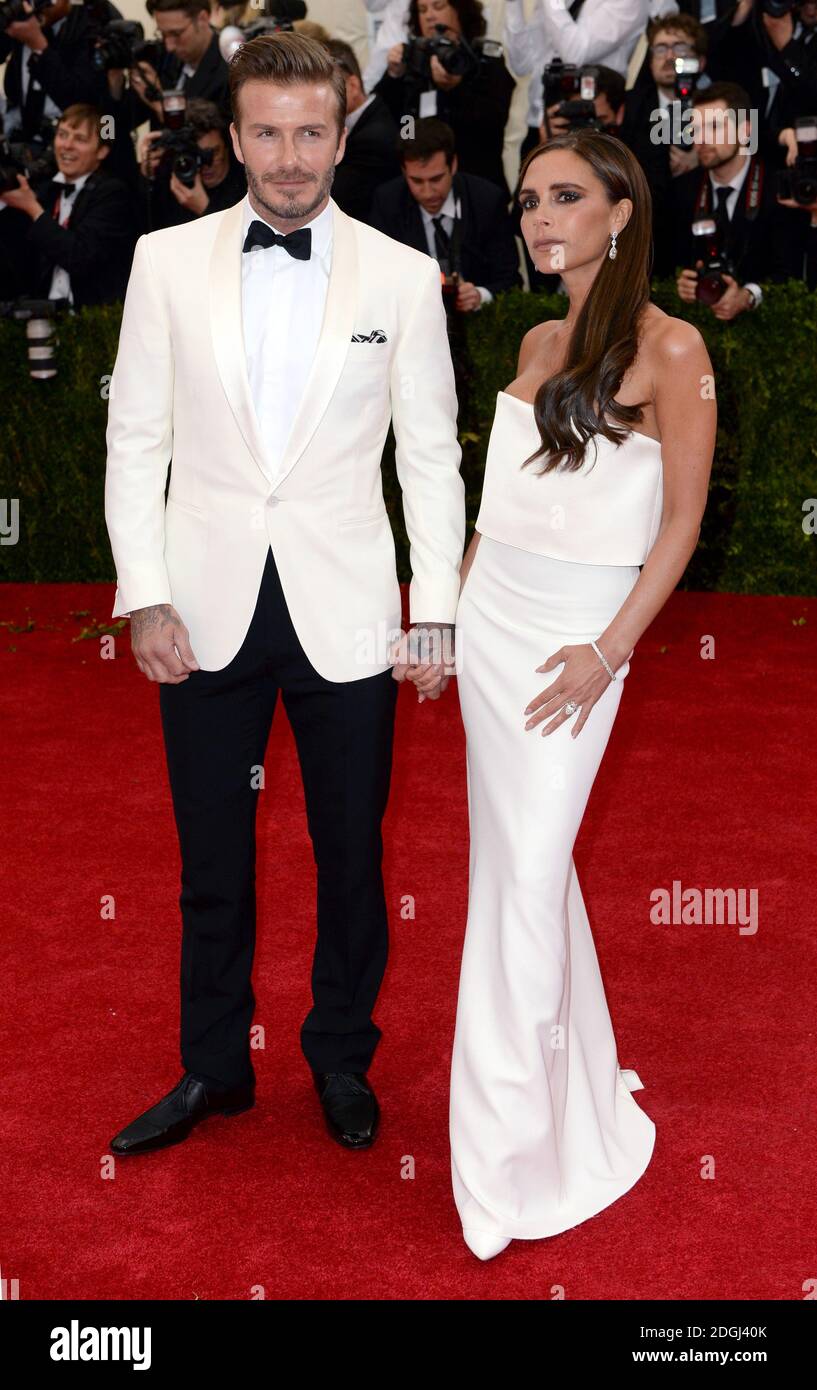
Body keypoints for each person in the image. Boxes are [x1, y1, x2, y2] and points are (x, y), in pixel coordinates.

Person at [104, 32, 465, 1158]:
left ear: (343, 126)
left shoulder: (401, 277)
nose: (291, 156)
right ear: (234, 131)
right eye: (268, 130)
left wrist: (435, 605)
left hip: (348, 610)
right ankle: (213, 1065)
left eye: (312, 132)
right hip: (202, 607)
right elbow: (135, 439)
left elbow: (430, 457)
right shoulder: (165, 261)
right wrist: (143, 593)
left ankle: (340, 1053)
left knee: (350, 854)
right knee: (210, 858)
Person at [442, 129, 715, 1259]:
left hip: (575, 647)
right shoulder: (538, 335)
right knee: (518, 870)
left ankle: (502, 1162)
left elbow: (681, 523)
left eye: (566, 196)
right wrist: (449, 619)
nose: (540, 217)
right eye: (528, 201)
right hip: (495, 623)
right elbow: (495, 507)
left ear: (620, 210)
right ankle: (574, 1102)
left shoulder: (673, 348)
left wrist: (607, 653)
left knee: (528, 870)